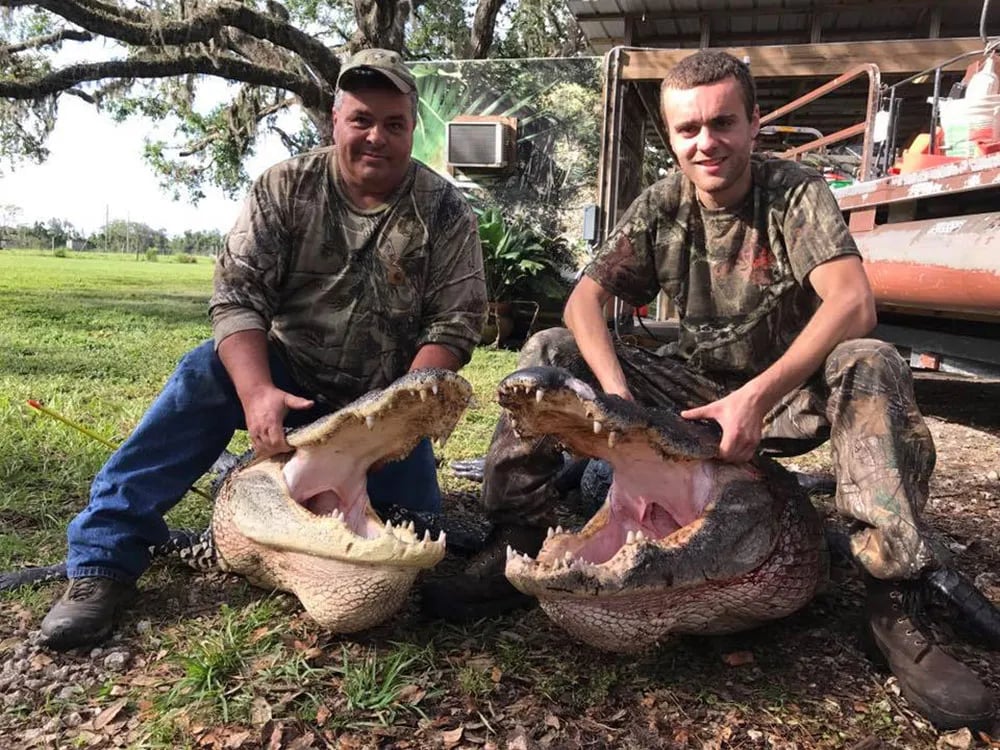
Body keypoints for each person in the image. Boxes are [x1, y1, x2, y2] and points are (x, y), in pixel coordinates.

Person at [423, 50, 995, 731]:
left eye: (722, 122)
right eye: (687, 129)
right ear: (672, 137)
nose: (706, 142)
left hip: (788, 391)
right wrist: (615, 405)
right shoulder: (664, 202)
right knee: (551, 349)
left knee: (868, 359)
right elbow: (582, 303)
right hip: (690, 391)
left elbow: (852, 302)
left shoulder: (794, 192)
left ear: (754, 123)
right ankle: (520, 535)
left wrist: (754, 397)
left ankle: (891, 597)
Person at [40, 48, 487, 652]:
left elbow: (454, 326)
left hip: (382, 397)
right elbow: (236, 299)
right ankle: (102, 561)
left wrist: (393, 421)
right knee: (204, 370)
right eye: (361, 119)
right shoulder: (285, 186)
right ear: (335, 121)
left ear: (413, 128)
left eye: (393, 123)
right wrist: (256, 393)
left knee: (414, 546)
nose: (375, 136)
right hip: (290, 377)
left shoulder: (446, 210)